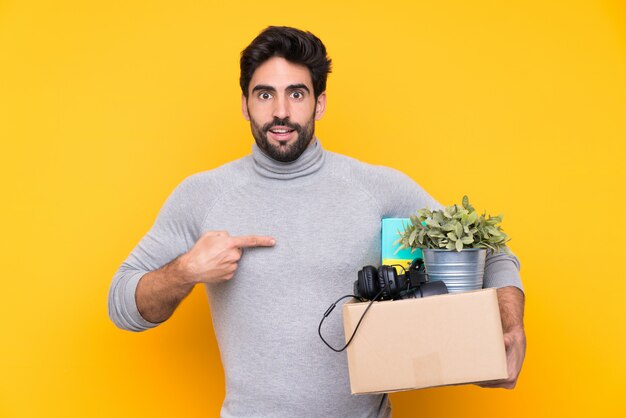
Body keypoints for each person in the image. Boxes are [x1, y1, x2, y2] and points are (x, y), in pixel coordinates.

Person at [108, 26, 526, 418]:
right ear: (244, 104)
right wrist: (186, 270)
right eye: (265, 95)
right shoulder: (203, 195)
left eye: (297, 93)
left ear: (320, 102)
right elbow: (123, 305)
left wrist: (510, 329)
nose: (282, 112)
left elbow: (492, 252)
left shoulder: (377, 188)